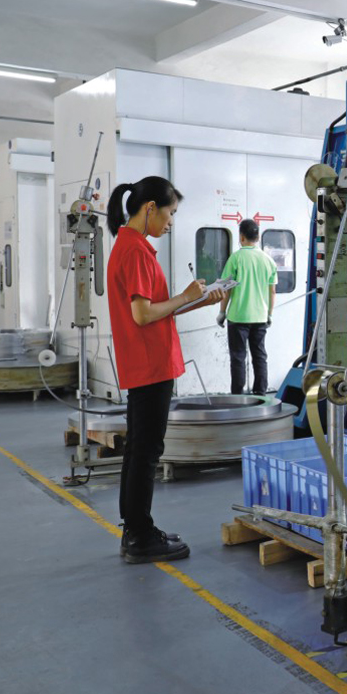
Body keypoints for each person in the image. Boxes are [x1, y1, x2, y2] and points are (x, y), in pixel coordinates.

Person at [106, 177, 224, 563]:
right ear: (151, 208)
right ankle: (140, 537)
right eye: (170, 213)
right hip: (150, 364)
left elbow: (156, 310)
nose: (171, 221)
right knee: (146, 451)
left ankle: (135, 528)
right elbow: (142, 315)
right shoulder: (136, 251)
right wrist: (185, 295)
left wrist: (199, 301)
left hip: (145, 362)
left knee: (138, 449)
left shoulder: (130, 245)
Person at [216, 219, 277, 394]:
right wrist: (269, 314)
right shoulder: (268, 260)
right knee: (260, 356)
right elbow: (272, 291)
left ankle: (237, 395)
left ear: (241, 237)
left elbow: (226, 289)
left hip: (238, 317)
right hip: (260, 317)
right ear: (257, 237)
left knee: (238, 358)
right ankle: (261, 393)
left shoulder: (235, 258)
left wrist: (222, 312)